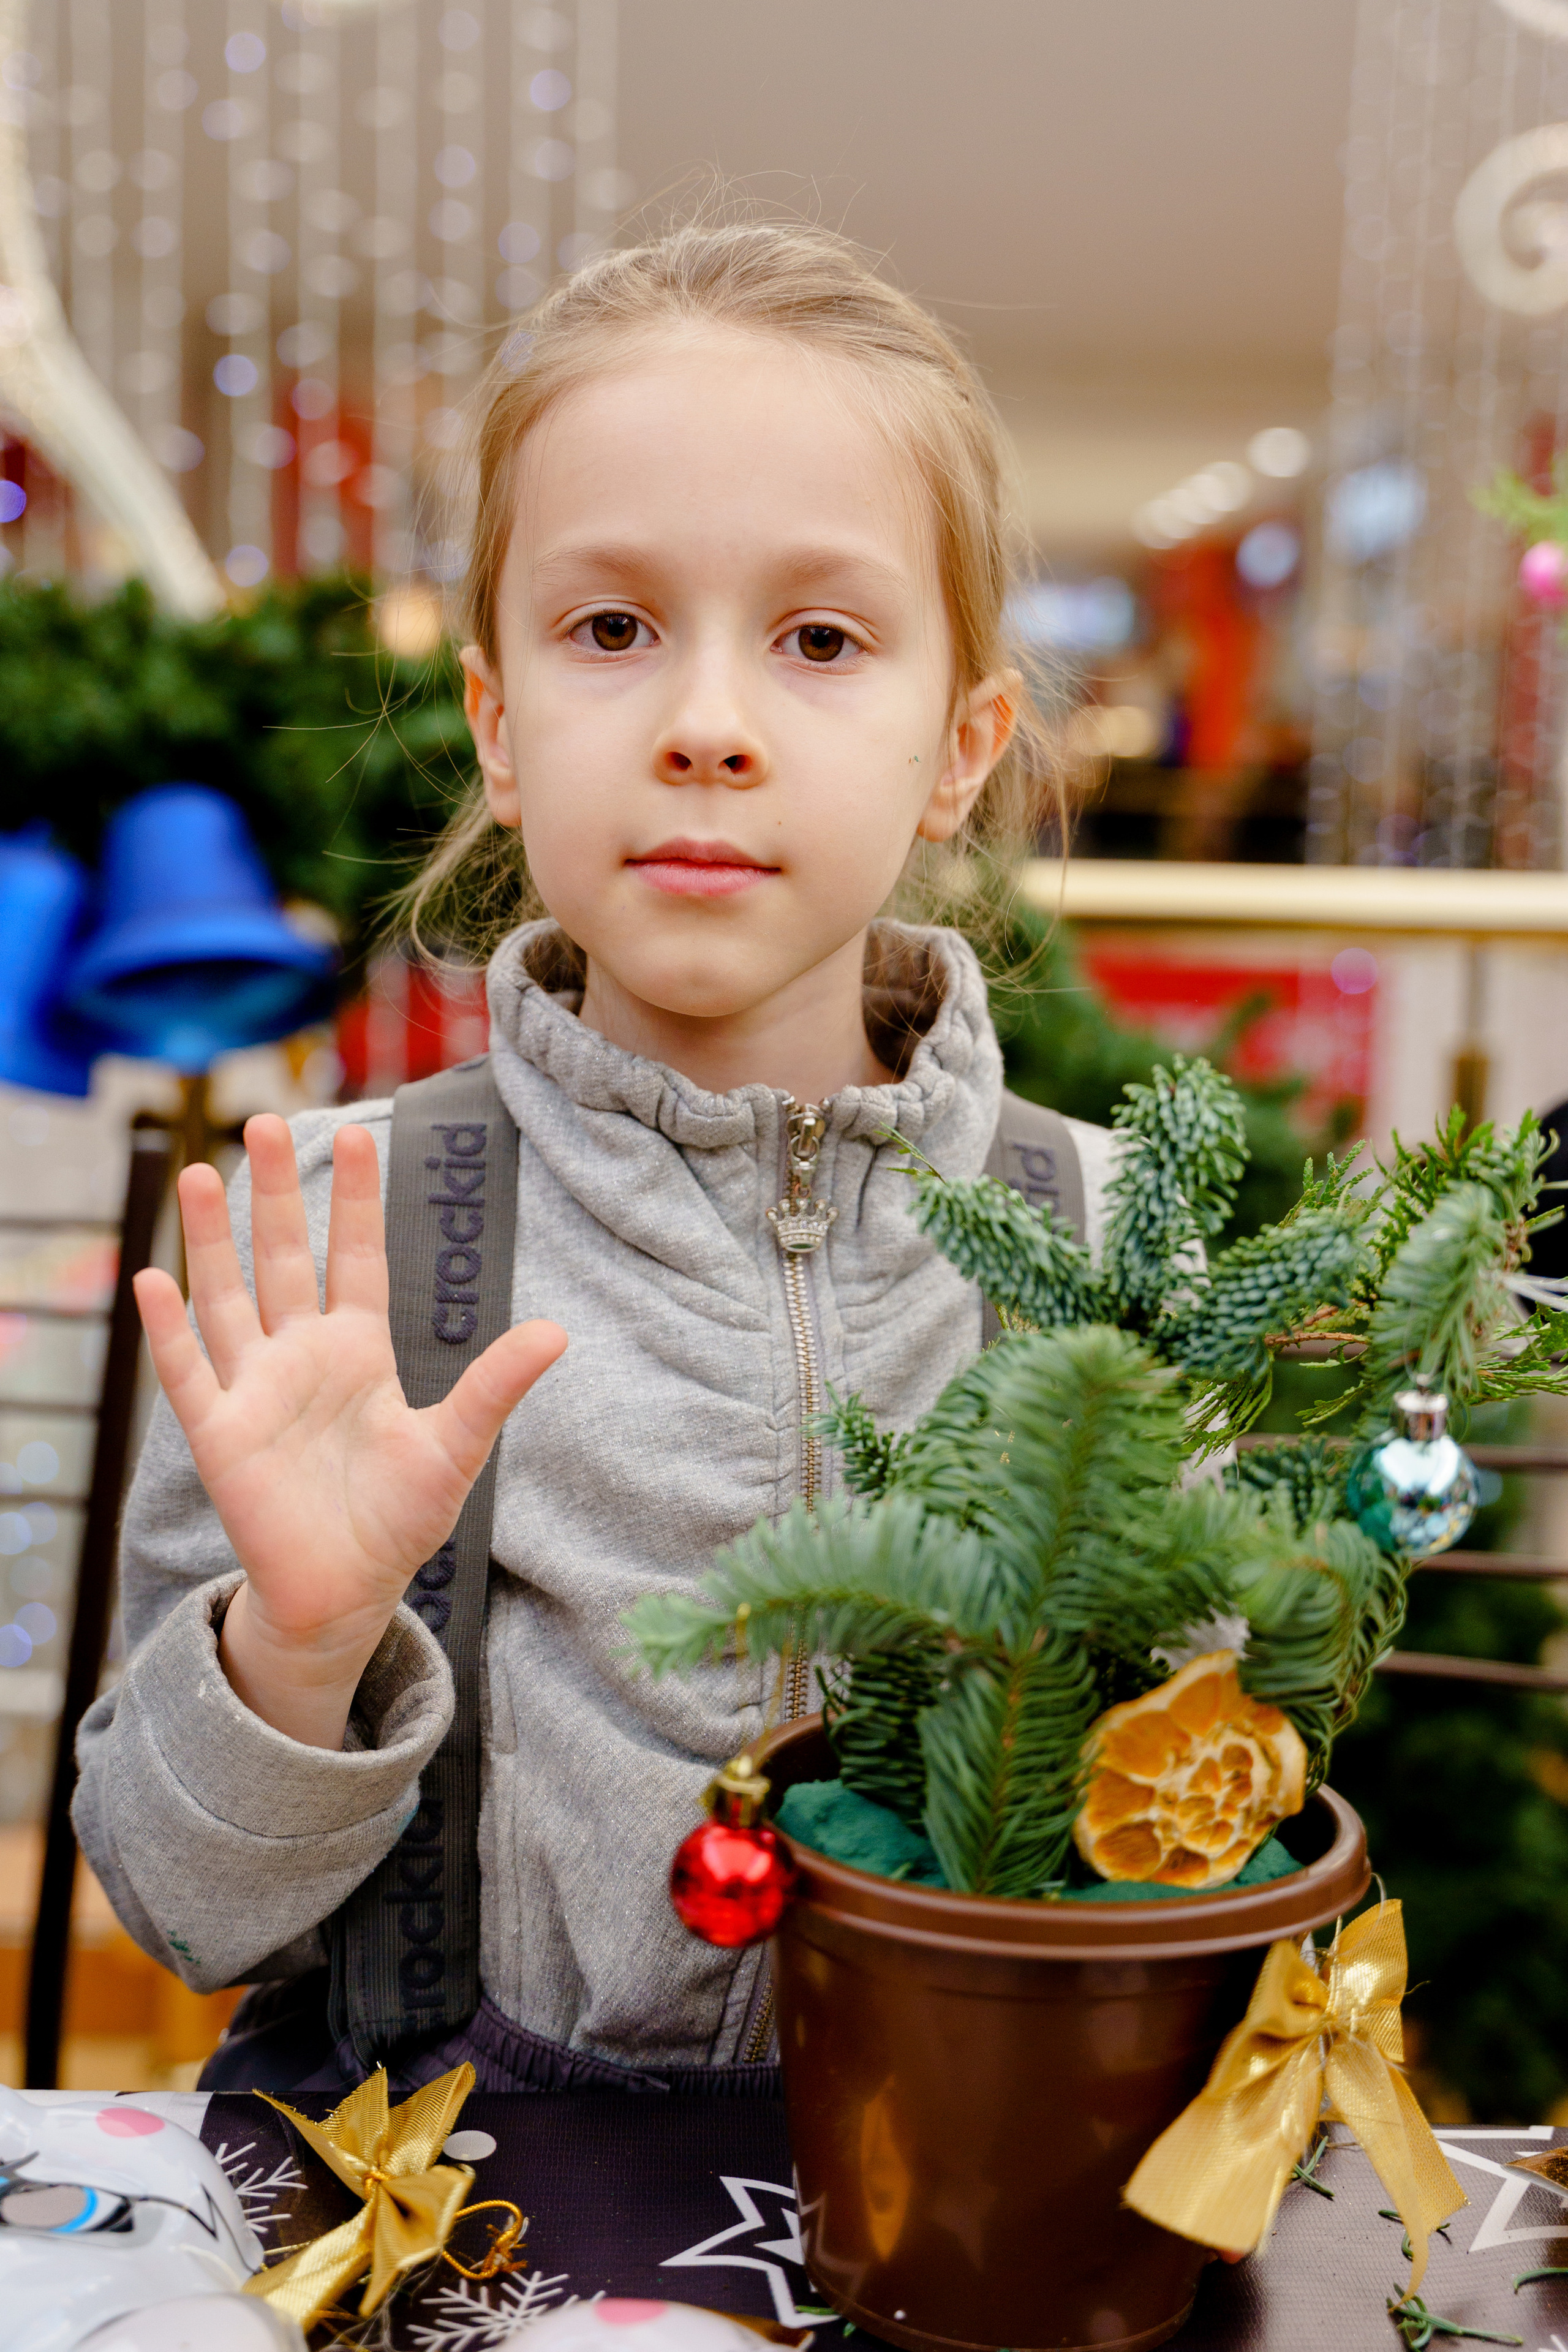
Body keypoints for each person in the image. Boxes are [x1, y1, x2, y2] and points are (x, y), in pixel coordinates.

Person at [72, 219, 1123, 2097]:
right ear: (497, 721)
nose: (707, 727)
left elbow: (1201, 1819)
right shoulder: (338, 1239)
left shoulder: (1113, 1242)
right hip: (433, 2217)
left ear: (960, 748)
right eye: (611, 629)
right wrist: (289, 1656)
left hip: (942, 2218)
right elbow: (176, 1906)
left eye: (819, 639)